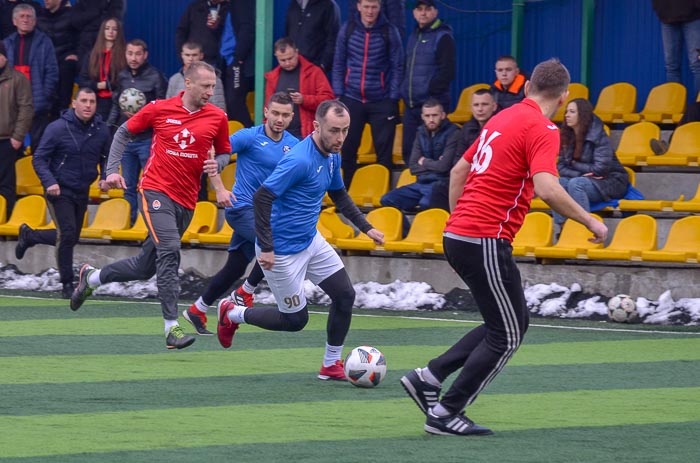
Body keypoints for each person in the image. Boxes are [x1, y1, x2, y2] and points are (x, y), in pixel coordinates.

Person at [400, 59, 608, 436]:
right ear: (563, 98)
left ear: (527, 88)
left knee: (507, 322)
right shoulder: (543, 129)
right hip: (483, 237)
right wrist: (591, 220)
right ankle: (447, 411)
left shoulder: (501, 117)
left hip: (460, 234)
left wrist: (458, 219)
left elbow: (459, 172)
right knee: (508, 334)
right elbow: (547, 188)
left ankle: (429, 377)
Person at [216, 99, 385, 381]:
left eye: (345, 130)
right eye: (334, 130)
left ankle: (331, 365)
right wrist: (267, 248)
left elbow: (339, 194)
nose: (340, 138)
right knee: (295, 321)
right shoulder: (299, 159)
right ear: (317, 126)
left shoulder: (333, 154)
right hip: (281, 250)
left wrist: (366, 227)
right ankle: (232, 313)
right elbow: (262, 198)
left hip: (310, 240)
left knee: (345, 296)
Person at [70, 61, 234, 350]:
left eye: (213, 86)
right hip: (155, 190)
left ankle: (92, 278)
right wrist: (111, 170)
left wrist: (216, 162)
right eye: (206, 86)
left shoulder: (217, 117)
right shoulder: (160, 108)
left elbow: (224, 153)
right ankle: (172, 327)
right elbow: (122, 133)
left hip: (187, 200)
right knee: (169, 249)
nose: (211, 91)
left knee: (146, 267)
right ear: (189, 83)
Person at [184, 92, 299, 335]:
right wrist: (220, 188)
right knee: (273, 246)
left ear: (291, 116)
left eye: (285, 115)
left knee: (235, 267)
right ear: (266, 112)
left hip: (267, 216)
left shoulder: (294, 145)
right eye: (275, 113)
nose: (279, 119)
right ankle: (245, 293)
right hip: (241, 208)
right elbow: (213, 152)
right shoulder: (249, 136)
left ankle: (198, 308)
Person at [15, 88, 111, 298]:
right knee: (67, 234)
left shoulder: (101, 130)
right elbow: (39, 158)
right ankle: (67, 284)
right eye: (84, 101)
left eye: (92, 102)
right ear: (74, 103)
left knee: (71, 236)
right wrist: (50, 182)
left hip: (82, 189)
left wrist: (105, 176)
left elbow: (106, 157)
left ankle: (29, 236)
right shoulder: (57, 128)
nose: (88, 105)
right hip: (59, 189)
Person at [332, 0, 403, 186]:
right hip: (352, 98)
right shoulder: (347, 29)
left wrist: (393, 96)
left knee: (384, 153)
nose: (370, 11)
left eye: (374, 7)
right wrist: (339, 92)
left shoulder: (389, 31)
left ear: (380, 8)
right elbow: (338, 62)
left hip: (381, 100)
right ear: (359, 6)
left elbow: (398, 65)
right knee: (347, 149)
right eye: (366, 6)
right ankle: (346, 193)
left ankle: (383, 195)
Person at [107, 39, 168, 225]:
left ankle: (150, 226)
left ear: (145, 55)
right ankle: (129, 225)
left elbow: (162, 109)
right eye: (130, 53)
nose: (133, 58)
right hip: (127, 140)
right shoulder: (121, 76)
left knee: (150, 186)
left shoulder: (155, 76)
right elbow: (115, 106)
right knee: (128, 186)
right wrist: (109, 129)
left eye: (138, 54)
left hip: (147, 140)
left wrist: (145, 116)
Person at [380, 99, 458, 231]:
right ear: (422, 117)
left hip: (441, 184)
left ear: (443, 115)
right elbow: (413, 167)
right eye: (427, 116)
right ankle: (408, 233)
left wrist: (425, 161)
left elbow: (444, 167)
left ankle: (425, 233)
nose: (431, 119)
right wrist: (436, 164)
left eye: (435, 115)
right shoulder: (420, 132)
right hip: (421, 184)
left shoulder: (454, 133)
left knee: (426, 203)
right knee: (387, 200)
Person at [554, 98, 628, 228]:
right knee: (557, 184)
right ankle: (563, 228)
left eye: (572, 112)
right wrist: (580, 173)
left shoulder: (598, 135)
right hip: (585, 178)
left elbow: (600, 168)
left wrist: (574, 164)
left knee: (576, 184)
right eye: (566, 112)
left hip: (611, 181)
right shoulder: (567, 134)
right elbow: (560, 166)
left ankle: (584, 229)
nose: (567, 115)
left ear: (582, 115)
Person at [400, 0, 456, 165]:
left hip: (431, 104)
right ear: (414, 13)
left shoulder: (443, 36)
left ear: (435, 12)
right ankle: (410, 186)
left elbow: (448, 72)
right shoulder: (413, 36)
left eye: (427, 9)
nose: (423, 13)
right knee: (409, 151)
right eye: (419, 9)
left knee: (432, 152)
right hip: (411, 105)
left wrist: (428, 91)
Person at [428, 89, 497, 211]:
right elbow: (458, 160)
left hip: (493, 181)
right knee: (439, 188)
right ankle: (448, 226)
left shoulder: (502, 127)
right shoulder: (466, 129)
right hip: (470, 179)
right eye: (476, 105)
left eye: (484, 104)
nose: (480, 109)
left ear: (494, 106)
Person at [3, 3, 58, 152]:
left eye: (29, 16)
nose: (25, 20)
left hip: (38, 104)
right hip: (11, 104)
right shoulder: (6, 44)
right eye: (22, 16)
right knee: (12, 150)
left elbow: (52, 72)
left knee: (39, 148)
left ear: (34, 21)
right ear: (14, 21)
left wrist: (44, 96)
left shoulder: (44, 42)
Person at [264, 37, 335, 139]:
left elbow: (328, 100)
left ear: (297, 52)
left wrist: (304, 100)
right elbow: (268, 107)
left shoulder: (314, 72)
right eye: (282, 60)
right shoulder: (272, 77)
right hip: (279, 134)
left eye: (290, 58)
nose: (287, 63)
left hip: (306, 133)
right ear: (276, 57)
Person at [0, 40, 32, 218]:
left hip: (7, 140)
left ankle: (5, 219)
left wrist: (18, 137)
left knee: (5, 184)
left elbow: (26, 108)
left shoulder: (18, 79)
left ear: (4, 57)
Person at [77, 17, 126, 122]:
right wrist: (98, 85)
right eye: (107, 28)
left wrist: (111, 85)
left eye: (114, 29)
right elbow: (82, 81)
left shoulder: (124, 55)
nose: (111, 32)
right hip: (96, 101)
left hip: (116, 102)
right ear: (102, 31)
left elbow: (126, 79)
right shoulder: (92, 55)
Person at [36, 0, 79, 116]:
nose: (45, 0)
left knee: (67, 68)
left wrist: (76, 54)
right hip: (46, 63)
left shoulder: (72, 15)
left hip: (64, 60)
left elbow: (82, 38)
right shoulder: (39, 16)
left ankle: (61, 119)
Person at [652, 0, 700, 97]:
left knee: (697, 64)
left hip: (693, 16)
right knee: (671, 66)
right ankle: (674, 105)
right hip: (667, 17)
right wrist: (659, 8)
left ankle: (698, 105)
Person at [167, 41, 226, 112]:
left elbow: (220, 109)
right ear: (182, 55)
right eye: (187, 55)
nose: (190, 58)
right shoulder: (174, 79)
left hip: (204, 120)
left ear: (201, 55)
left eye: (194, 55)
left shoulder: (213, 79)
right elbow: (168, 106)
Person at [222, 0, 254, 126]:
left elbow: (248, 30)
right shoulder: (227, 6)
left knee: (235, 101)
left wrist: (239, 57)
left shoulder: (241, 4)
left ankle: (248, 135)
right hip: (226, 60)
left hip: (236, 61)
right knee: (230, 101)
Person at [285, 0, 340, 74]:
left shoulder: (328, 5)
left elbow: (333, 39)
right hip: (292, 69)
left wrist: (323, 65)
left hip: (314, 70)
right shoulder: (294, 4)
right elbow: (288, 34)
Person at [69, 0, 125, 65]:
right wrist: (95, 13)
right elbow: (75, 20)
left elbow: (113, 20)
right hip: (85, 46)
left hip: (107, 45)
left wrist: (87, 25)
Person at [175, 0, 229, 67]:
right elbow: (181, 32)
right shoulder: (195, 7)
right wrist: (183, 56)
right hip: (193, 57)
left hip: (216, 59)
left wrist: (218, 25)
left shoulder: (229, 9)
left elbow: (231, 34)